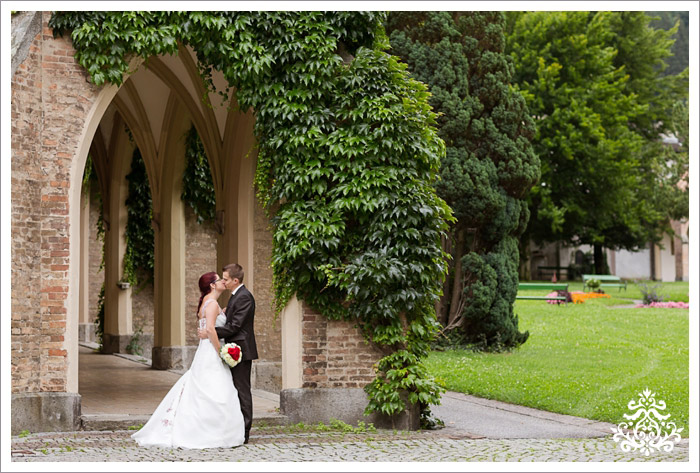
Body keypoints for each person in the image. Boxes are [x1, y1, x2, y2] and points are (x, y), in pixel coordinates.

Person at [132, 272, 246, 449]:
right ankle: (211, 433)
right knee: (216, 389)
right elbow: (210, 330)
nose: (223, 282)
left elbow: (207, 326)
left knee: (204, 388)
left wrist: (221, 315)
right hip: (212, 351)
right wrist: (221, 352)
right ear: (212, 285)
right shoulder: (213, 304)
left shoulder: (205, 303)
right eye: (219, 280)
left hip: (203, 351)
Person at [199, 263, 257, 444]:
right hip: (231, 349)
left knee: (242, 390)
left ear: (235, 280)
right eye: (222, 279)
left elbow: (235, 326)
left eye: (225, 279)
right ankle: (233, 428)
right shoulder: (235, 296)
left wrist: (212, 333)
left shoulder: (244, 297)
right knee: (233, 390)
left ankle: (245, 431)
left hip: (241, 349)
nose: (223, 281)